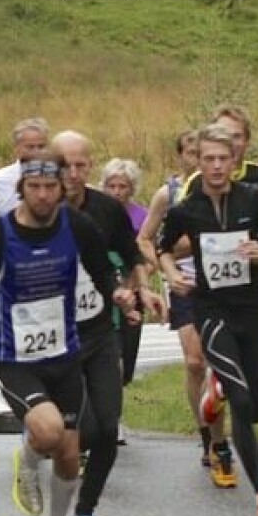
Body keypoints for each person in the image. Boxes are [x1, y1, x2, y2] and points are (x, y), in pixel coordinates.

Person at [0, 151, 133, 516]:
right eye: (35, 188)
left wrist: (117, 292)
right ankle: (27, 458)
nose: (44, 196)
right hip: (15, 358)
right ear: (21, 190)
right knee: (47, 432)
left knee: (68, 451)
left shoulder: (76, 225)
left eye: (51, 188)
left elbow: (101, 269)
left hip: (65, 354)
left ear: (62, 189)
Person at [159, 124, 258, 516]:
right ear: (198, 161)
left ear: (235, 162)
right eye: (207, 158)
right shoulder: (185, 209)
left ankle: (214, 395)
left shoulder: (256, 197)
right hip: (213, 310)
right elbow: (162, 248)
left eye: (222, 159)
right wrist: (172, 276)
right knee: (244, 405)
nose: (215, 166)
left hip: (255, 306)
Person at [51, 131, 162, 516]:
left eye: (82, 165)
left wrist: (142, 287)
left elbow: (131, 252)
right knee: (86, 428)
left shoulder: (106, 209)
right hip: (55, 339)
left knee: (107, 427)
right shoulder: (37, 211)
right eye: (66, 165)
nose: (75, 174)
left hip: (99, 330)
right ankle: (45, 445)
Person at [137, 131, 234, 481]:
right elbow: (144, 239)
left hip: (224, 285)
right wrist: (168, 269)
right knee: (195, 362)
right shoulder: (170, 193)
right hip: (186, 285)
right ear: (181, 157)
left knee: (220, 364)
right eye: (191, 154)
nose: (198, 160)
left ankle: (219, 435)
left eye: (203, 153)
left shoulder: (228, 193)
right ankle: (207, 434)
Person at [100, 157, 149, 389]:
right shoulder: (93, 211)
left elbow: (149, 257)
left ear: (132, 188)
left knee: (126, 363)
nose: (117, 192)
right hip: (102, 293)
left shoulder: (141, 216)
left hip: (132, 292)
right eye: (112, 186)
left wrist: (136, 283)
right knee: (108, 359)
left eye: (123, 186)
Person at [0, 117, 49, 226]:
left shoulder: (60, 181)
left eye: (41, 147)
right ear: (16, 148)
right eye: (30, 147)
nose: (36, 152)